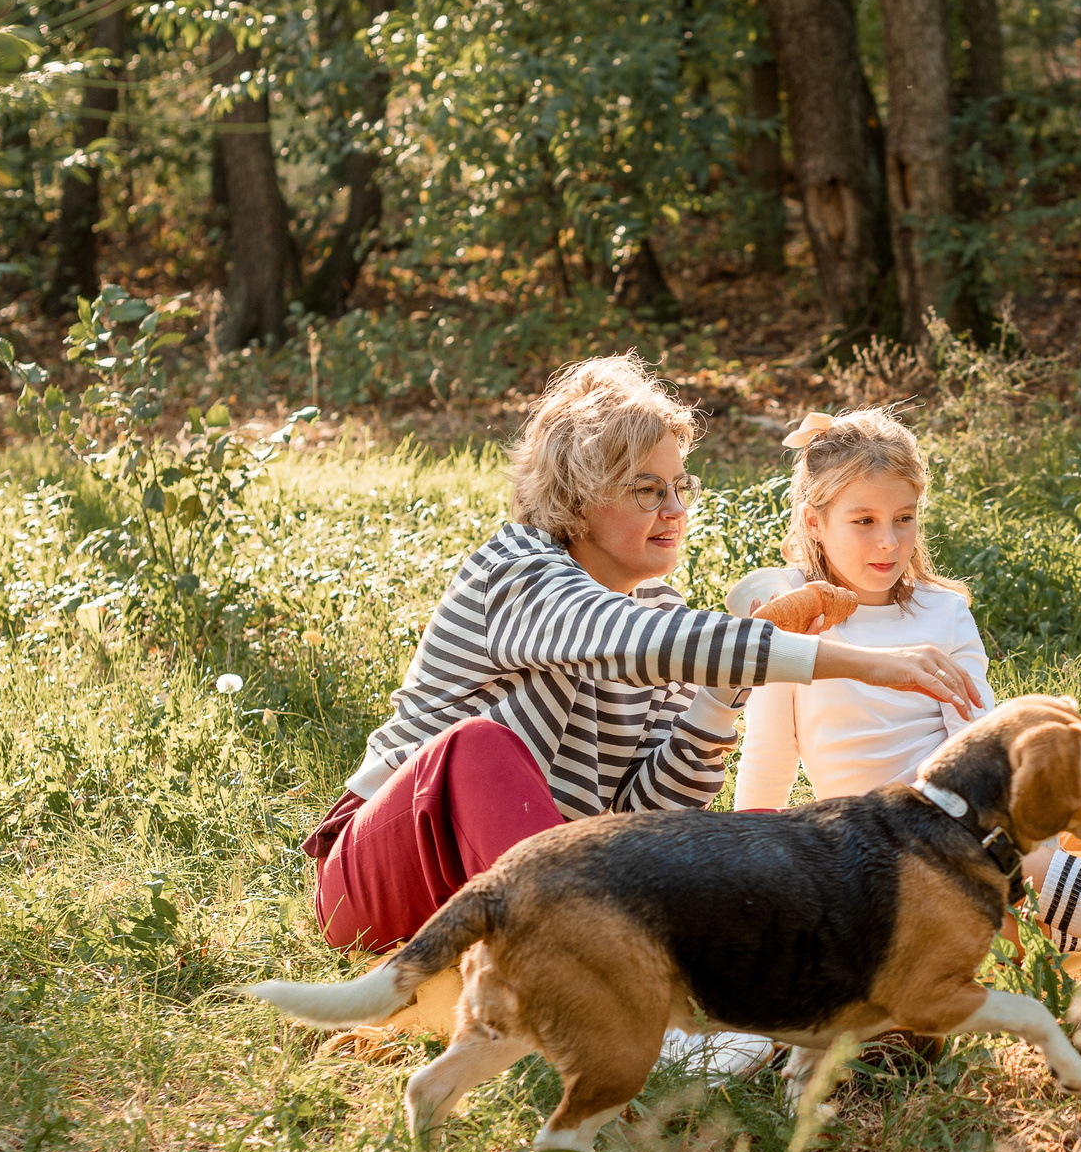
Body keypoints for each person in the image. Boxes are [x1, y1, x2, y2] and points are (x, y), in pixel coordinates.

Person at [300, 357, 980, 955]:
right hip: (384, 877)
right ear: (580, 494)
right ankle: (595, 986)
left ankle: (805, 994)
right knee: (479, 748)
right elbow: (627, 642)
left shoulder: (662, 610)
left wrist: (717, 697)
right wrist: (857, 660)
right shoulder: (513, 570)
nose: (676, 509)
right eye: (648, 489)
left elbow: (648, 811)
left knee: (764, 838)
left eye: (681, 486)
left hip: (547, 880)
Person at [730, 409, 1081, 976]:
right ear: (812, 522)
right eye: (863, 521)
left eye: (903, 518)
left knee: (1011, 854)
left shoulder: (942, 612)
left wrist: (1080, 749)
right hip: (872, 841)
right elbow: (768, 755)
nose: (888, 541)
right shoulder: (794, 624)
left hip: (963, 814)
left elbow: (980, 733)